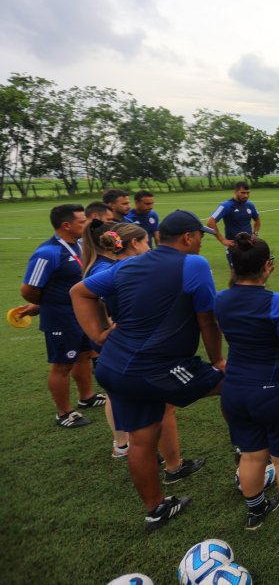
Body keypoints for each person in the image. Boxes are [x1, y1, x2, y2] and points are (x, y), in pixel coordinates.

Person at [71, 210, 225, 532]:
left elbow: (79, 291)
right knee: (234, 382)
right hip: (155, 369)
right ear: (188, 238)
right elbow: (207, 320)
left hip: (114, 367)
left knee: (141, 440)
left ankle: (156, 510)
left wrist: (98, 336)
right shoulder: (193, 264)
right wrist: (217, 360)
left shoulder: (126, 264)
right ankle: (254, 459)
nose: (199, 243)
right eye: (199, 236)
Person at [216, 233, 279, 535]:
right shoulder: (276, 302)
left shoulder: (220, 299)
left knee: (251, 453)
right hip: (274, 392)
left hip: (234, 390)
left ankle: (255, 512)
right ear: (268, 266)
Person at [20, 204, 103, 428]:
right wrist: (44, 305)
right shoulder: (47, 253)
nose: (86, 224)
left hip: (81, 313)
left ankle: (87, 397)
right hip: (60, 317)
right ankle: (63, 413)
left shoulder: (78, 245)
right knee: (62, 365)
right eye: (82, 221)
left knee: (84, 355)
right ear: (66, 225)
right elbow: (28, 290)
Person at [81, 221, 150, 458]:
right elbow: (91, 298)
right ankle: (123, 443)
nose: (149, 247)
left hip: (119, 338)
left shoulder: (108, 265)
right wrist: (104, 328)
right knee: (118, 393)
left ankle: (124, 443)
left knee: (118, 392)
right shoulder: (105, 269)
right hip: (118, 340)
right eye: (146, 242)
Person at [207, 182, 261, 275]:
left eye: (248, 193)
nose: (246, 195)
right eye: (243, 193)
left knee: (251, 271)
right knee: (235, 272)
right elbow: (210, 222)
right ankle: (234, 289)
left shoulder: (250, 205)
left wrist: (255, 234)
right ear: (235, 192)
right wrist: (222, 240)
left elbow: (257, 220)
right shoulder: (226, 205)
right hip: (234, 246)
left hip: (249, 244)